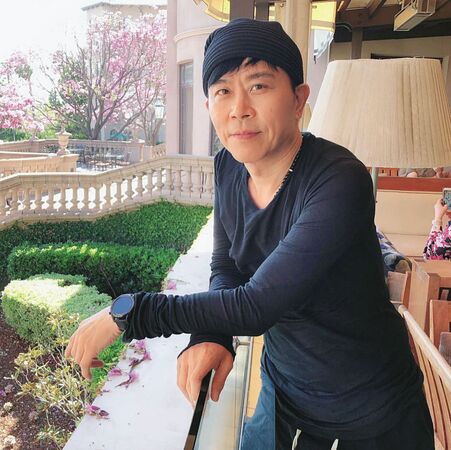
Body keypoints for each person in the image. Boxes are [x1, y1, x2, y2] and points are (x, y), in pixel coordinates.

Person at [65, 19, 433, 450]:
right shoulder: (228, 165)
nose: (239, 108)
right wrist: (211, 335)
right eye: (223, 90)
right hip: (284, 392)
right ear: (209, 106)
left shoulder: (339, 179)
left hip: (374, 409)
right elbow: (228, 265)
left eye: (258, 86)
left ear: (298, 99)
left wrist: (129, 313)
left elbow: (257, 305)